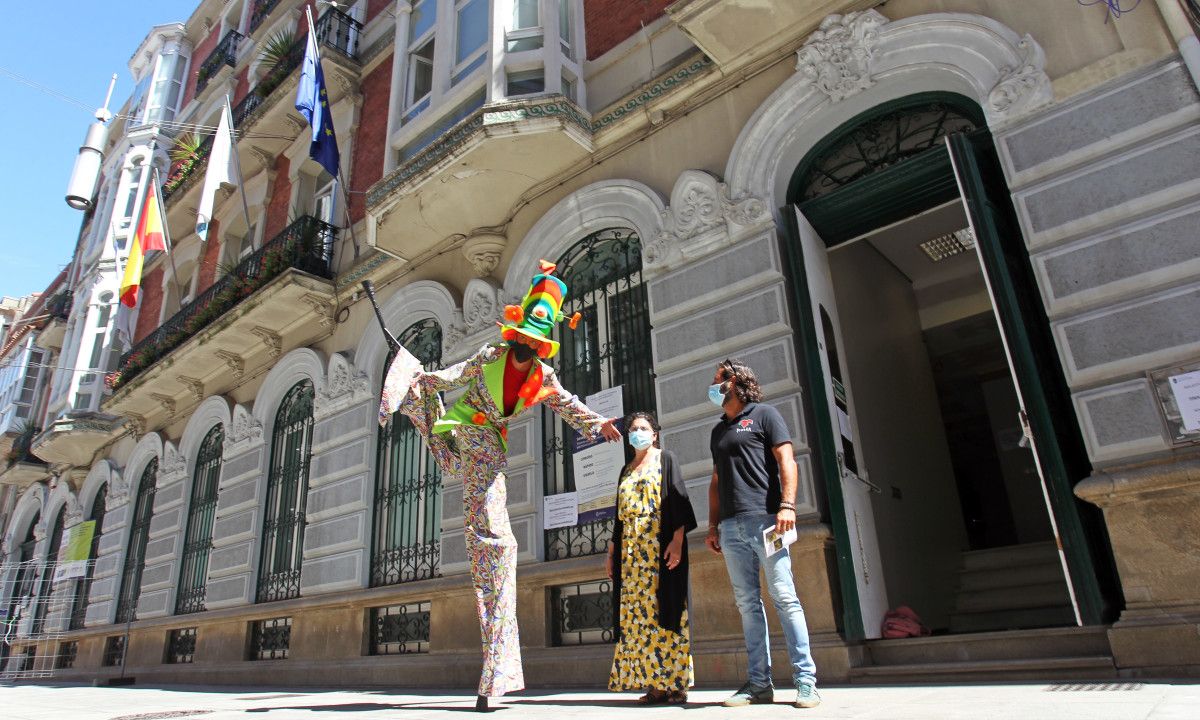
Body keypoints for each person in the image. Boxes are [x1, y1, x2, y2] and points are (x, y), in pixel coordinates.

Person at [379, 260, 621, 711]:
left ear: (544, 344)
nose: (530, 342)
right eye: (526, 335)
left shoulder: (543, 377)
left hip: (489, 442)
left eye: (538, 338)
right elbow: (456, 374)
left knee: (494, 540)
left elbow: (567, 404)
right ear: (517, 335)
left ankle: (497, 667)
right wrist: (424, 379)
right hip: (464, 427)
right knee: (490, 531)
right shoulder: (492, 355)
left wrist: (598, 421)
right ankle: (491, 559)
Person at [705, 358, 821, 709]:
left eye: (718, 379)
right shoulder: (718, 431)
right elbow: (715, 481)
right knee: (747, 605)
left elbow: (787, 460)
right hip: (730, 526)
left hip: (767, 521)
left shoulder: (765, 414)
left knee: (784, 596)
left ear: (736, 381)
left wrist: (788, 505)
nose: (713, 386)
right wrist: (712, 525)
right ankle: (758, 684)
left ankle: (806, 682)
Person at [606, 411, 697, 704]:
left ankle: (675, 684)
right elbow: (618, 518)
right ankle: (654, 685)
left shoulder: (665, 459)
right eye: (633, 429)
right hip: (631, 557)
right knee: (637, 620)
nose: (637, 433)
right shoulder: (626, 469)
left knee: (667, 614)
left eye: (643, 428)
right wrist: (611, 554)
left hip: (659, 550)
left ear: (654, 434)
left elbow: (679, 499)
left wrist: (678, 541)